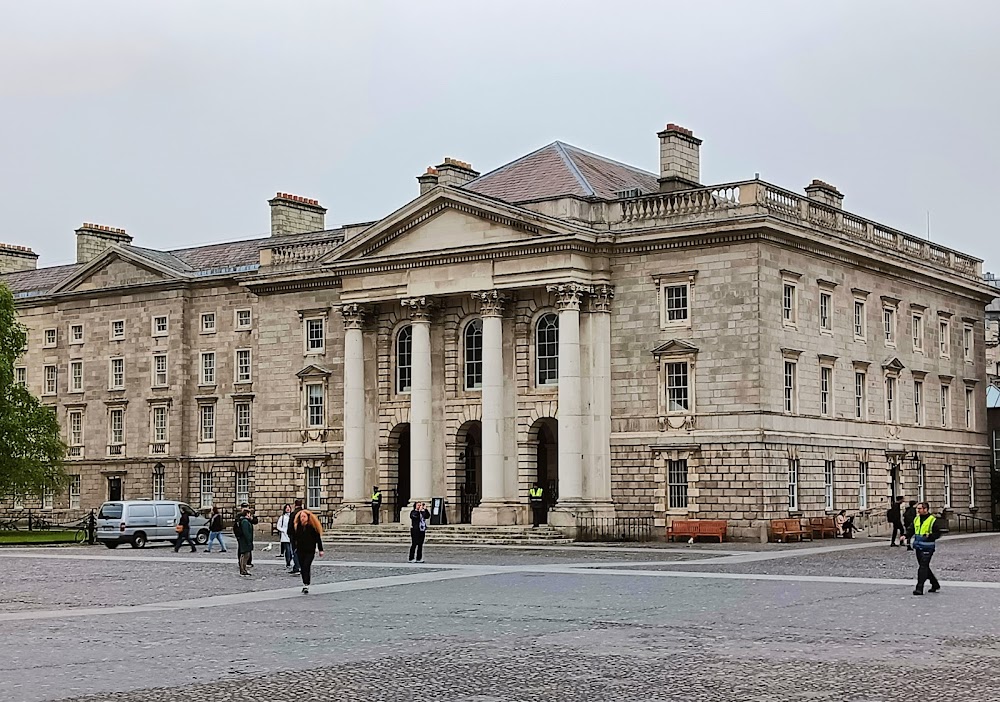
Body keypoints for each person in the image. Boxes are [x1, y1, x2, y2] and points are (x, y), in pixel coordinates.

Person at [907, 501, 942, 595]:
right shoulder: (916, 519)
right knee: (924, 566)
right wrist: (905, 535)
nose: (917, 510)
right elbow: (911, 529)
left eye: (919, 508)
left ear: (925, 509)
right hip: (918, 546)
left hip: (928, 546)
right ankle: (935, 584)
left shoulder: (932, 520)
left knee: (922, 567)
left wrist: (930, 536)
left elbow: (938, 533)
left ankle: (919, 588)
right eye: (917, 508)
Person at [288, 507, 324, 594]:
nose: (302, 518)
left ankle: (306, 584)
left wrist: (320, 550)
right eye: (301, 517)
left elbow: (318, 539)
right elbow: (293, 537)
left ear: (308, 517)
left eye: (304, 516)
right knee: (302, 567)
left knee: (306, 566)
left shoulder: (312, 528)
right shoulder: (298, 527)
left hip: (310, 550)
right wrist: (294, 547)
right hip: (300, 550)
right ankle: (305, 582)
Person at [234, 508, 255, 577]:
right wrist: (249, 540)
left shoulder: (244, 520)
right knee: (245, 555)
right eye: (249, 513)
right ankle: (243, 569)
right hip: (245, 540)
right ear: (247, 514)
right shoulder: (245, 521)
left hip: (244, 540)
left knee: (245, 555)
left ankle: (243, 569)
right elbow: (246, 532)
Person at [240, 503, 260, 567]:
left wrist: (251, 519)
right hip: (243, 537)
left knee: (248, 552)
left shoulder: (249, 516)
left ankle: (247, 562)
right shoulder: (242, 517)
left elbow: (255, 521)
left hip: (247, 536)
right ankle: (243, 566)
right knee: (243, 552)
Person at [287, 498, 303, 575]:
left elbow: (290, 526)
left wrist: (289, 534)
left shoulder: (294, 514)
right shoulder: (305, 513)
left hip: (295, 536)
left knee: (295, 551)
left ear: (295, 505)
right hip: (304, 535)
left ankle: (297, 567)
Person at [276, 504, 293, 569]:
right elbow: (278, 526)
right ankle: (288, 562)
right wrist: (283, 530)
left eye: (289, 508)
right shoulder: (282, 517)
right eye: (287, 508)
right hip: (285, 536)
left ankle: (290, 560)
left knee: (291, 551)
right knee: (288, 550)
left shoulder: (291, 516)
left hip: (291, 535)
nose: (288, 509)